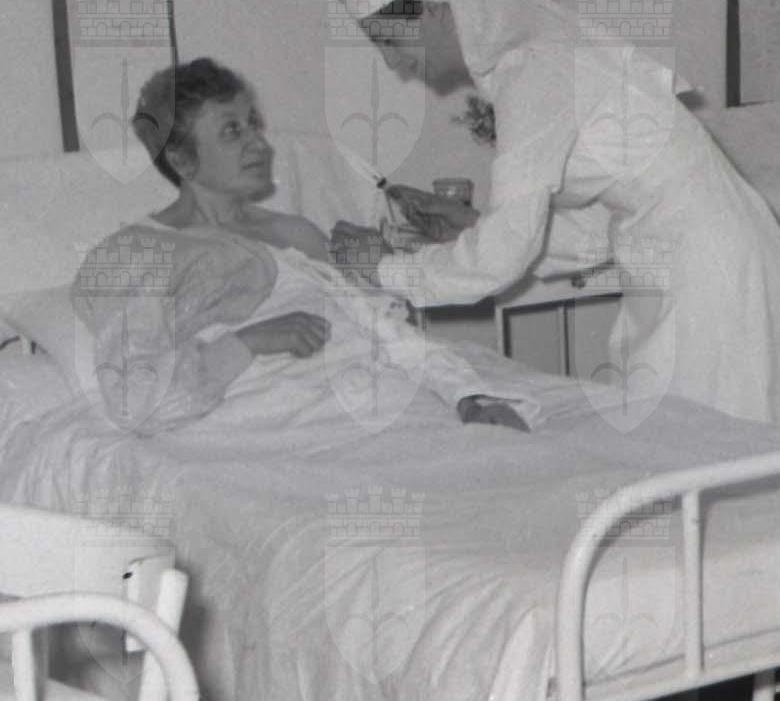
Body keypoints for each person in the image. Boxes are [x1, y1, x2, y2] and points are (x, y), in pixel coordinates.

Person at [326, 0, 780, 436]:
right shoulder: (534, 61)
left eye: (390, 41)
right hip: (699, 250)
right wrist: (472, 227)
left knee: (709, 441)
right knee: (710, 441)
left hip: (709, 264)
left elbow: (502, 257)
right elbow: (596, 228)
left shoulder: (535, 70)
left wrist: (386, 269)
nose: (393, 63)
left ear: (437, 10)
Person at [73, 59, 535, 436]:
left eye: (253, 124)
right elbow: (138, 399)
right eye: (232, 131)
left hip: (382, 409)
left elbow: (381, 329)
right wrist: (249, 341)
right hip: (267, 430)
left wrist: (466, 396)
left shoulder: (295, 234)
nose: (258, 143)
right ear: (181, 159)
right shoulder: (140, 253)